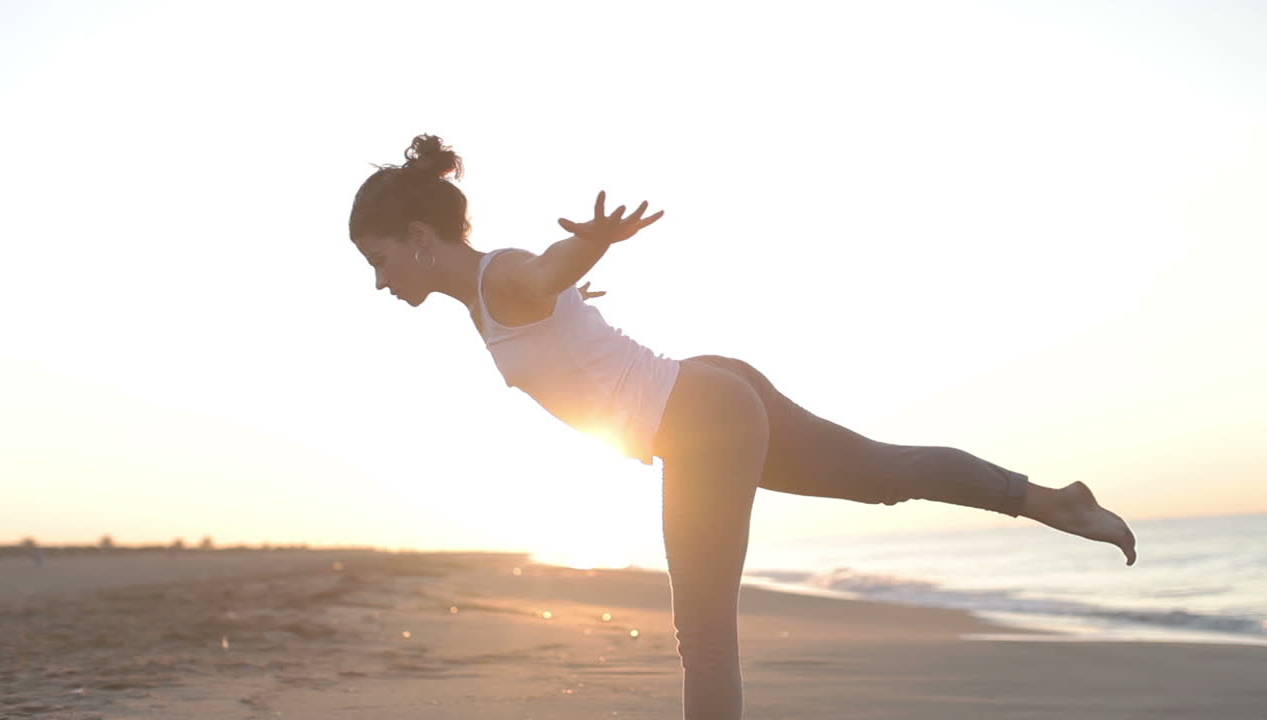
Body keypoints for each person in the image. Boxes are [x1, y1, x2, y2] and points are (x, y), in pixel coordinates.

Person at [348, 134, 1138, 720]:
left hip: (700, 421)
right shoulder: (489, 300)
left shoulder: (500, 278)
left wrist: (584, 247)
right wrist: (580, 292)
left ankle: (1048, 503)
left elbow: (542, 269)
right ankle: (1051, 502)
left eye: (379, 259)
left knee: (704, 633)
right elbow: (555, 302)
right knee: (885, 475)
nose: (378, 281)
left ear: (419, 239)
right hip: (710, 392)